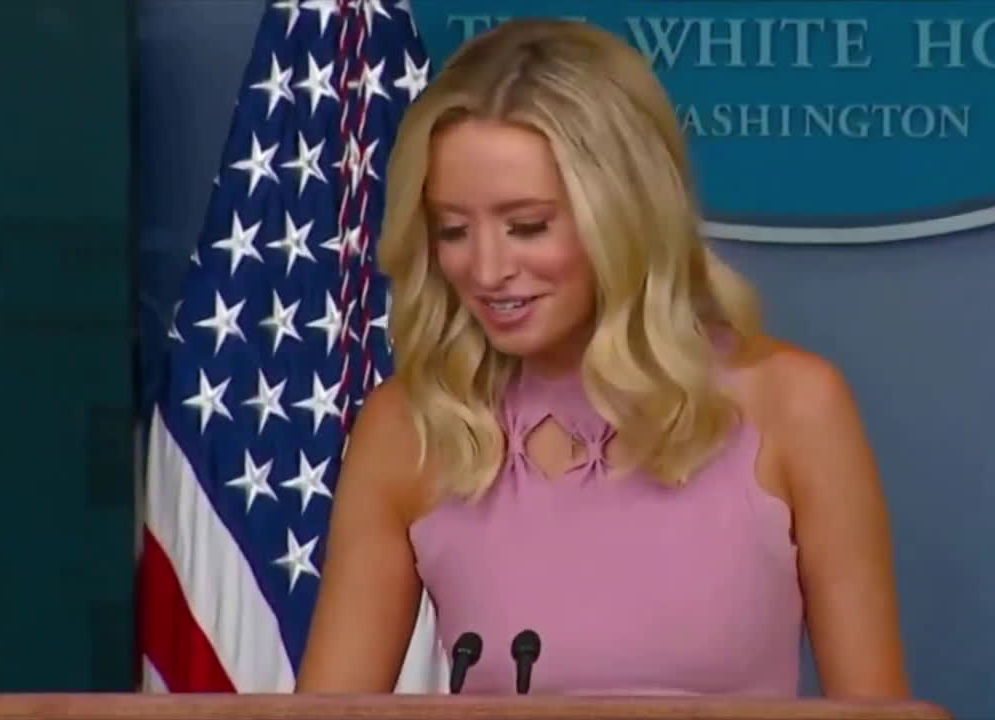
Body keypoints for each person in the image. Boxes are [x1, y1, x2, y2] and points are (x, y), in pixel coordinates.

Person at [296, 17, 909, 698]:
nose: (488, 269)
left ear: (625, 213)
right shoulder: (407, 428)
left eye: (527, 226)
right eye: (454, 230)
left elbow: (878, 714)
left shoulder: (795, 406)